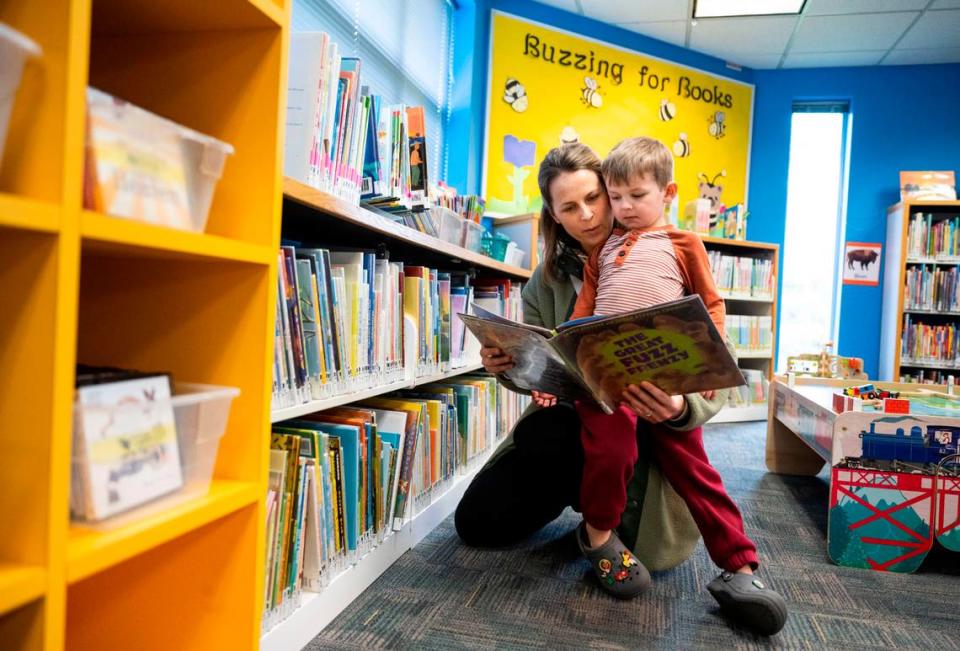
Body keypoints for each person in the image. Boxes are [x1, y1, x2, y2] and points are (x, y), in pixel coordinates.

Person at [455, 143, 722, 591]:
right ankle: (581, 497)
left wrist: (679, 406)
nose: (587, 216)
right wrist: (506, 365)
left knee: (651, 553)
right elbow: (541, 363)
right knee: (477, 524)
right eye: (569, 207)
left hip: (642, 428)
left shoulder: (665, 254)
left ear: (611, 192)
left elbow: (716, 366)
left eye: (594, 198)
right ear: (555, 216)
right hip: (566, 427)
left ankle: (597, 517)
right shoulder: (546, 281)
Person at [555, 136, 786, 635]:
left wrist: (705, 370)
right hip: (609, 384)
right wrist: (568, 357)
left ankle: (740, 568)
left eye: (636, 195)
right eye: (615, 196)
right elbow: (582, 314)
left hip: (666, 384)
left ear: (668, 192)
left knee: (696, 470)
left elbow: (712, 307)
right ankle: (598, 534)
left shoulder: (685, 245)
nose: (623, 208)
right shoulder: (602, 254)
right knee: (611, 453)